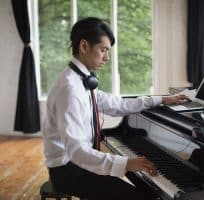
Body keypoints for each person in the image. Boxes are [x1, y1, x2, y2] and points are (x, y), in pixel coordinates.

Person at [42, 17, 190, 200]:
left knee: (149, 192)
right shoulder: (70, 89)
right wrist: (127, 163)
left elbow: (118, 105)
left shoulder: (82, 80)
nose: (107, 58)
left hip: (80, 162)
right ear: (84, 46)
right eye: (103, 50)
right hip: (68, 171)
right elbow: (77, 152)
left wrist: (162, 99)